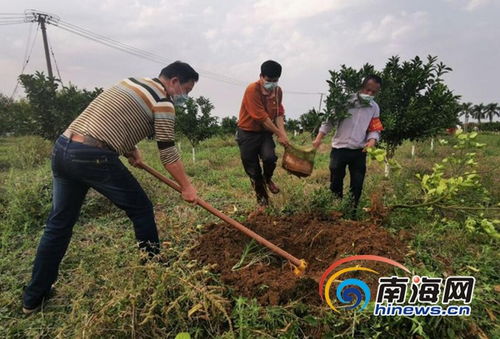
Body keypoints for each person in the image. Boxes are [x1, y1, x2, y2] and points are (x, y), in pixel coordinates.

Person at [22, 61, 199, 314]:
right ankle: (156, 276)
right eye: (187, 90)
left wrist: (131, 150)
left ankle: (33, 299)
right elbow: (168, 151)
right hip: (92, 157)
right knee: (141, 210)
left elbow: (112, 119)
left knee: (58, 225)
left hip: (63, 148)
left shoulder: (129, 82)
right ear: (173, 81)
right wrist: (187, 187)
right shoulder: (163, 102)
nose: (185, 97)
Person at [312, 75, 383, 217]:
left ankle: (351, 213)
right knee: (336, 180)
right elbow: (329, 121)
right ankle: (336, 209)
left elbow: (374, 128)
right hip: (339, 149)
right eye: (367, 90)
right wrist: (319, 138)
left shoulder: (374, 108)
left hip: (359, 150)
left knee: (357, 184)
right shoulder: (345, 101)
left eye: (374, 92)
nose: (370, 94)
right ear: (361, 87)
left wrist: (372, 140)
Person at [236, 60, 289, 206]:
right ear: (261, 76)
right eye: (269, 80)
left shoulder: (278, 91)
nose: (272, 83)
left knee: (270, 158)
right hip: (247, 133)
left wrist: (283, 134)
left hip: (265, 133)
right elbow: (262, 118)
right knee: (253, 171)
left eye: (275, 80)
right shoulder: (252, 90)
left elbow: (278, 113)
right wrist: (279, 134)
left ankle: (268, 178)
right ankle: (263, 202)